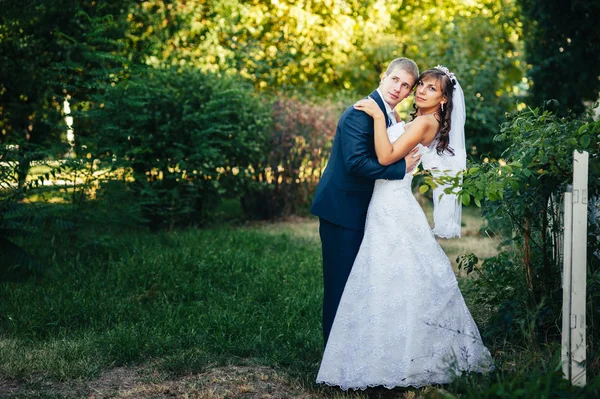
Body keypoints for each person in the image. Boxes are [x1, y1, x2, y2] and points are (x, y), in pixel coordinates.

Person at [316, 66, 494, 389]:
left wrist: (378, 119)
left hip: (393, 205)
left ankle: (389, 357)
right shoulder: (409, 119)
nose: (420, 91)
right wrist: (387, 122)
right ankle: (372, 352)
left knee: (393, 278)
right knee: (388, 279)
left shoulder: (423, 121)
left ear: (444, 100)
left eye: (429, 88)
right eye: (421, 85)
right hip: (383, 205)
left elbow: (385, 155)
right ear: (385, 77)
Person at [310, 58, 422, 346]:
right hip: (342, 211)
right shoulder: (360, 113)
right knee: (340, 286)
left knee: (358, 285)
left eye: (406, 85)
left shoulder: (388, 116)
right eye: (395, 80)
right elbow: (357, 163)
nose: (398, 88)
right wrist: (401, 169)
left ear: (409, 92)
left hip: (367, 211)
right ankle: (332, 357)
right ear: (383, 77)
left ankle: (353, 350)